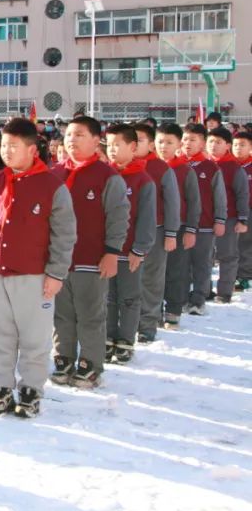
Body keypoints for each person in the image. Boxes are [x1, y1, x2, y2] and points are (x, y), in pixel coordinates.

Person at [0, 119, 75, 417]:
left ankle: (31, 390)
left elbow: (64, 235)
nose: (6, 151)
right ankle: (1, 388)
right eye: (3, 145)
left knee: (34, 337)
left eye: (13, 146)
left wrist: (57, 273)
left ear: (32, 150)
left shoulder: (52, 187)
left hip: (34, 276)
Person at [51, 116, 130, 389]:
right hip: (60, 262)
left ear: (97, 141)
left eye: (80, 135)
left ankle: (90, 364)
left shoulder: (108, 177)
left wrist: (111, 252)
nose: (72, 140)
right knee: (62, 314)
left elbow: (118, 217)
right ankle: (64, 359)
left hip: (92, 259)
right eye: (69, 135)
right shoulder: (54, 174)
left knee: (91, 314)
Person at [104, 124, 156, 364]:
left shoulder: (143, 180)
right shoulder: (105, 175)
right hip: (107, 251)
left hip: (130, 251)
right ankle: (108, 338)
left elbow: (147, 219)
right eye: (109, 145)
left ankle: (125, 340)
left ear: (133, 147)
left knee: (129, 297)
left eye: (118, 145)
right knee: (108, 296)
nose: (112, 150)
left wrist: (139, 248)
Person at [132, 122, 181, 343]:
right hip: (127, 232)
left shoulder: (161, 168)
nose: (134, 145)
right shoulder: (120, 166)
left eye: (140, 140)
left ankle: (147, 325)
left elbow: (172, 203)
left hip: (156, 231)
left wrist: (171, 233)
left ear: (151, 144)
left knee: (151, 280)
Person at [155, 124, 201, 330]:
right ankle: (153, 312)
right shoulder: (149, 167)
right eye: (160, 141)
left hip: (179, 227)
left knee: (176, 271)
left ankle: (173, 310)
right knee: (153, 273)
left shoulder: (184, 169)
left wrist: (191, 229)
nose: (164, 146)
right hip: (154, 228)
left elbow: (193, 202)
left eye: (169, 142)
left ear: (178, 144)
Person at [180, 123, 227, 315]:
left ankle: (198, 299)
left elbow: (219, 196)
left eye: (193, 139)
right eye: (184, 139)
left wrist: (220, 219)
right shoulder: (176, 165)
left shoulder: (210, 167)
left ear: (202, 143)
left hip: (205, 225)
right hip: (181, 224)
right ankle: (181, 298)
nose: (187, 143)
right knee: (181, 265)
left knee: (202, 263)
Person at [206, 127, 249, 303]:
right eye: (210, 142)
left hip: (229, 218)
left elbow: (242, 194)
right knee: (205, 257)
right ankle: (205, 290)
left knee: (227, 255)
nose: (214, 146)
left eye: (218, 142)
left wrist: (242, 218)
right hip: (204, 218)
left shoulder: (234, 167)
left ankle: (224, 292)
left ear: (227, 145)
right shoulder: (203, 164)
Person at [234, 131, 252, 292]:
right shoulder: (229, 165)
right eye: (236, 145)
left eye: (242, 145)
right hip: (232, 211)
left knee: (245, 244)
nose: (238, 148)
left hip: (249, 209)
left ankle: (244, 276)